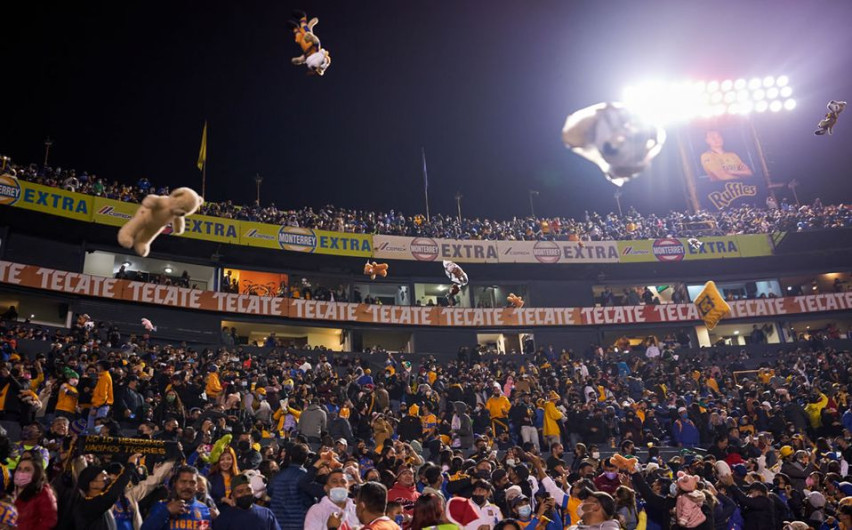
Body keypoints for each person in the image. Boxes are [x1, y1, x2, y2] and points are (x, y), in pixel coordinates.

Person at [142, 465, 213, 530]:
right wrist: (166, 511)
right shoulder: (161, 506)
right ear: (175, 483)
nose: (187, 486)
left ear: (196, 486)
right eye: (183, 482)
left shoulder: (203, 509)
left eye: (192, 482)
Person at [269, 443, 315, 530]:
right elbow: (310, 500)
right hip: (298, 523)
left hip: (278, 523)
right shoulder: (306, 477)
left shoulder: (278, 475)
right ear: (306, 459)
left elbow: (270, 492)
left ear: (290, 457)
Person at [213, 472, 281, 530]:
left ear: (253, 491)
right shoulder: (224, 518)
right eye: (240, 491)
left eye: (248, 490)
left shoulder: (266, 514)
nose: (245, 493)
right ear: (233, 496)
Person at [12, 457, 58, 530]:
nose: (22, 472)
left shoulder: (44, 492)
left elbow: (50, 520)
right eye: (19, 469)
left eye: (27, 469)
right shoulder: (15, 488)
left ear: (36, 473)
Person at [88, 360, 113, 433]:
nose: (97, 367)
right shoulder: (103, 376)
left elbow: (103, 395)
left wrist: (95, 407)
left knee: (96, 429)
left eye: (98, 365)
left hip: (100, 406)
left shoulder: (104, 377)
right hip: (100, 405)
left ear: (101, 367)